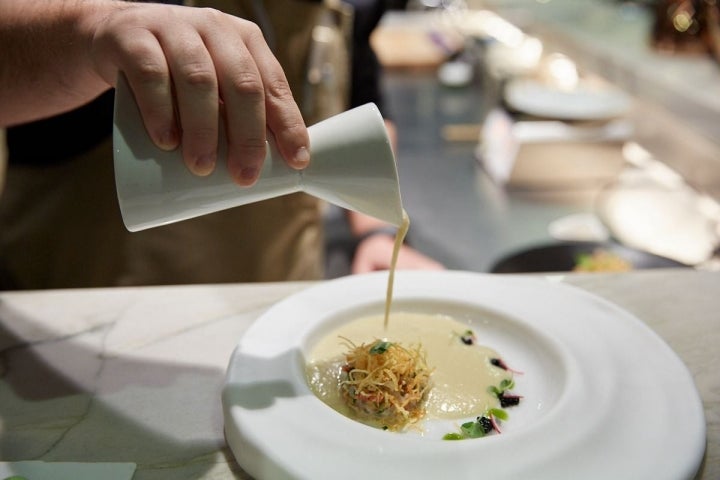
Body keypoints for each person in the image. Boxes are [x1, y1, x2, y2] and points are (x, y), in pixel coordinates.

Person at [0, 0, 442, 289]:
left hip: (281, 291)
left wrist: (376, 231)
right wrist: (89, 32)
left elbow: (362, 100)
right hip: (92, 308)